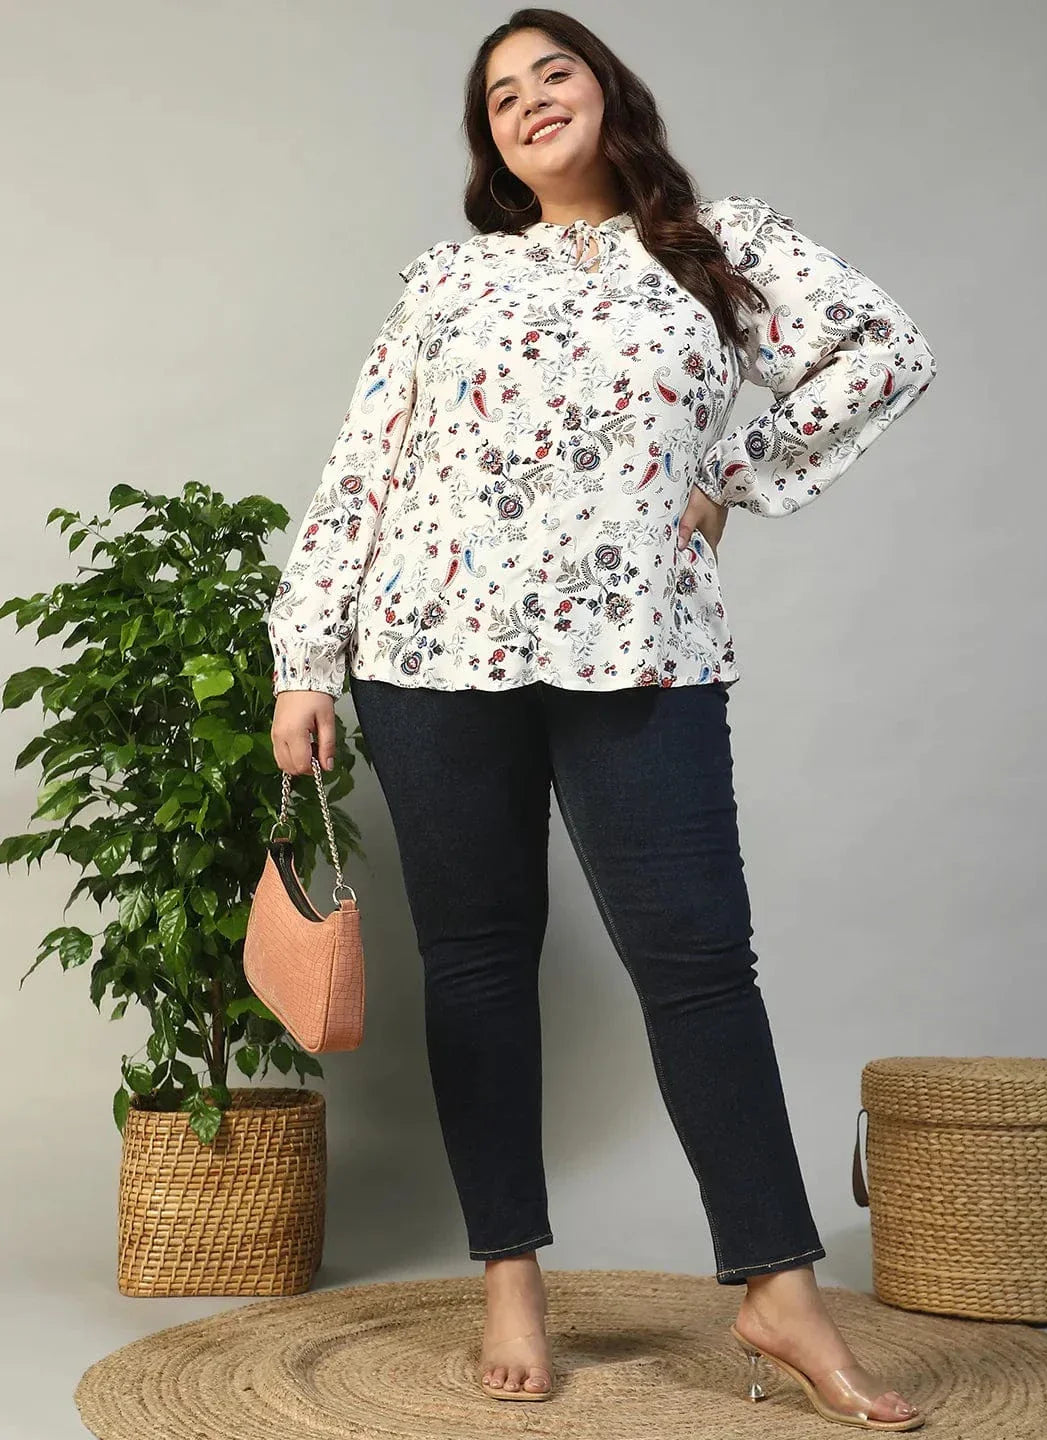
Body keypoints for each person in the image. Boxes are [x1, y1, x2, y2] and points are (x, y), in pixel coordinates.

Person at [268, 9, 935, 1428]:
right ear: (490, 142)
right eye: (499, 95)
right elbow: (364, 462)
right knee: (478, 965)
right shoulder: (450, 276)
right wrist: (304, 660)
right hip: (430, 650)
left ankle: (779, 1286)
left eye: (551, 72)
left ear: (606, 87)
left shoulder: (717, 243)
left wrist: (733, 470)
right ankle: (509, 1273)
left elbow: (883, 347)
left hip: (644, 651)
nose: (528, 102)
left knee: (699, 963)